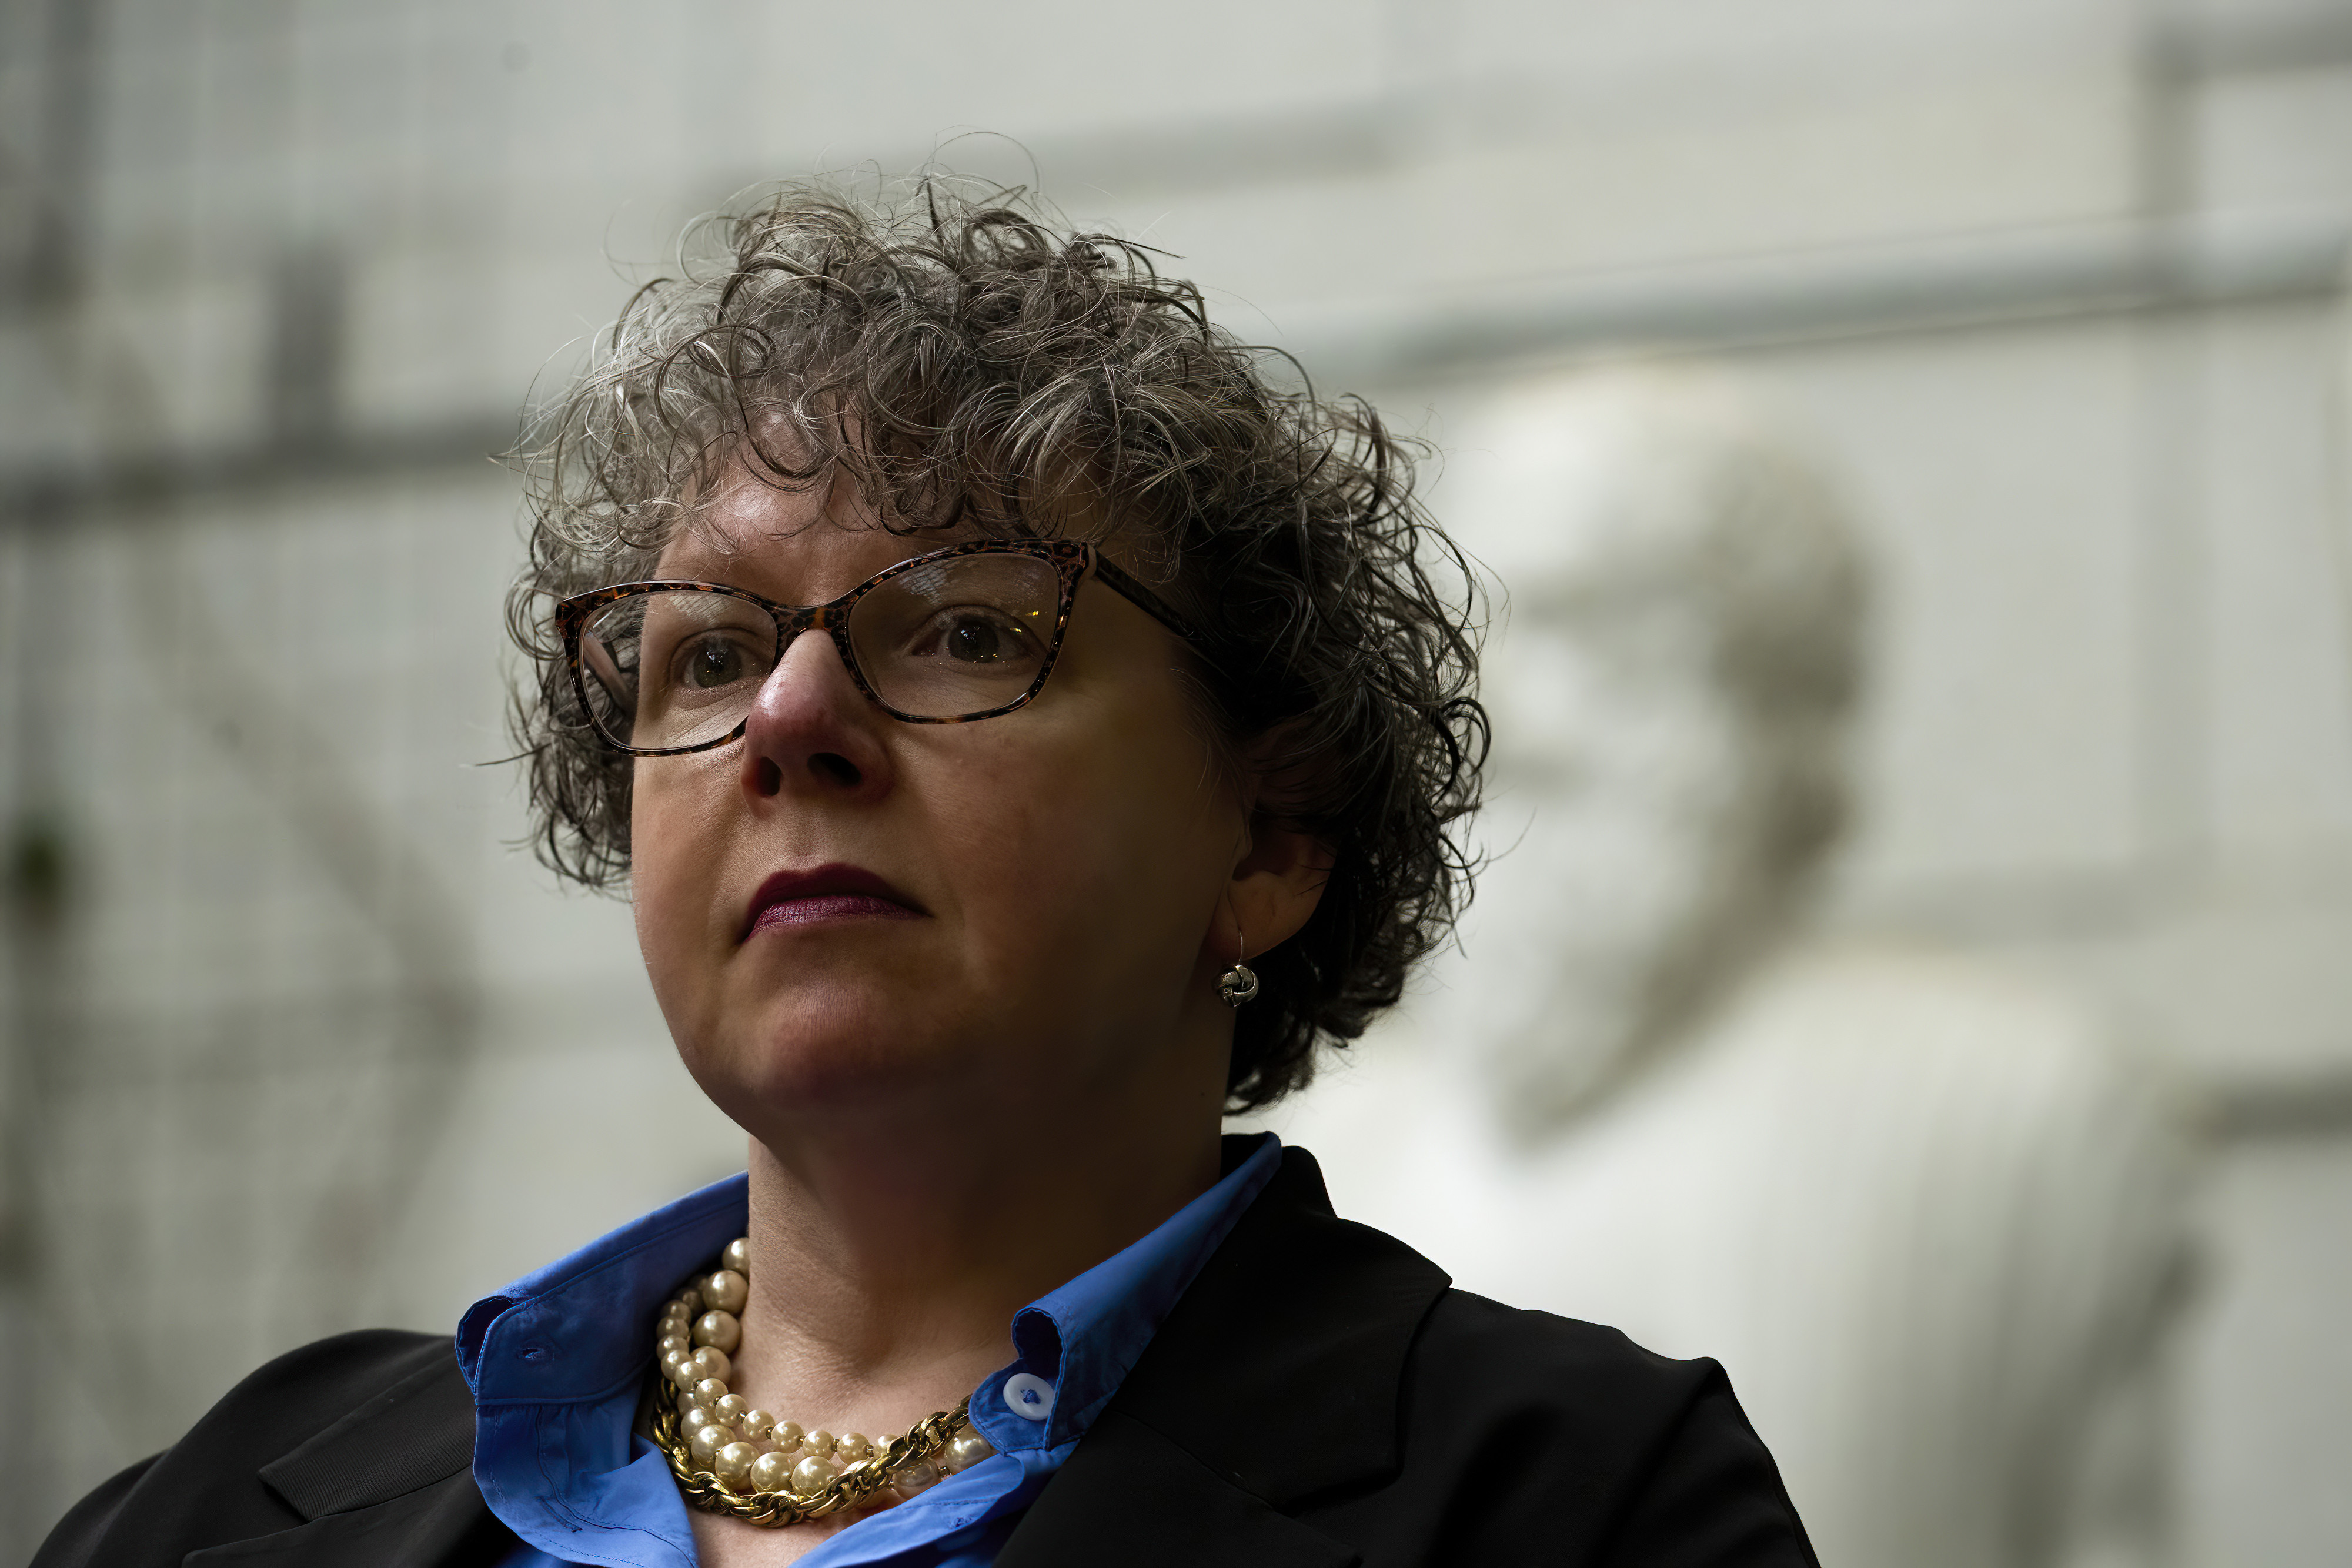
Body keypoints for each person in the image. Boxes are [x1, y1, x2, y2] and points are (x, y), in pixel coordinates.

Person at [32, 186, 1819, 1568]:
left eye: (967, 627)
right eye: (711, 652)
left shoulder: (1571, 1503)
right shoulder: (210, 1504)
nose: (791, 720)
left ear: (1269, 839)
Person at [1269, 366, 2191, 1568]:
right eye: (1463, 621)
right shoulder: (1314, 1139)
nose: (1483, 698)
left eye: (1561, 616)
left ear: (1748, 674)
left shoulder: (2022, 1111)